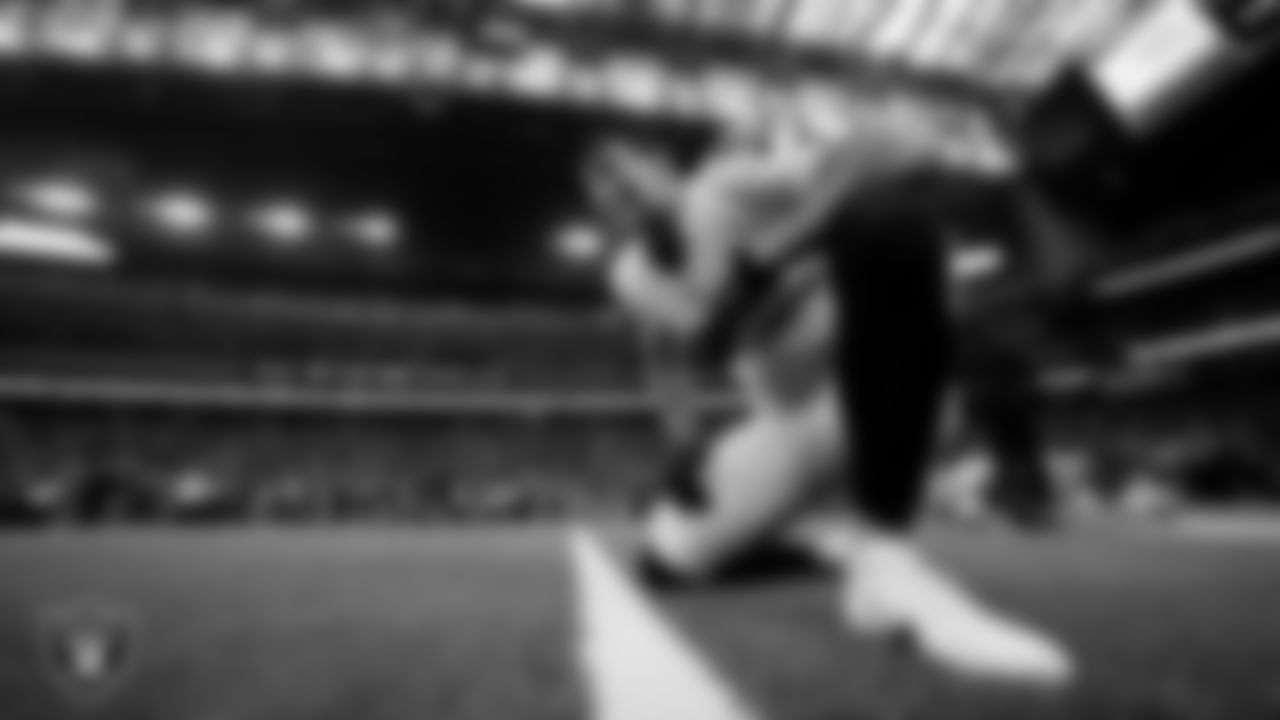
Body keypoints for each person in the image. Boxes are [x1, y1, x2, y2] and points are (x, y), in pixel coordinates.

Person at [588, 124, 1074, 687]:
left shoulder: (722, 187)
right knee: (666, 564)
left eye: (628, 177)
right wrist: (681, 440)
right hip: (798, 426)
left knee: (887, 222)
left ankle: (889, 556)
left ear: (663, 164)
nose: (624, 197)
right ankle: (815, 547)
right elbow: (666, 360)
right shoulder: (629, 275)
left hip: (888, 389)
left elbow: (903, 147)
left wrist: (771, 254)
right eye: (608, 196)